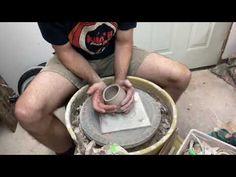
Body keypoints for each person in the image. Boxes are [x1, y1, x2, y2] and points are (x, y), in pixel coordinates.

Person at [15, 22, 191, 155]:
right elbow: (65, 52)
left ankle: (151, 129)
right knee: (27, 113)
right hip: (73, 60)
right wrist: (95, 80)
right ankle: (75, 149)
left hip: (115, 53)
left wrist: (120, 79)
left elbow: (123, 42)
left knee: (181, 76)